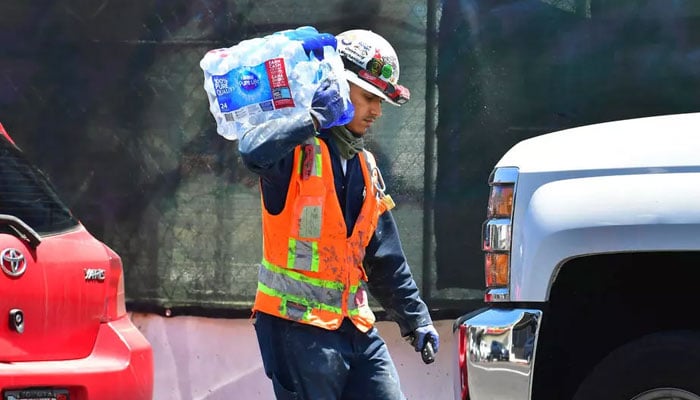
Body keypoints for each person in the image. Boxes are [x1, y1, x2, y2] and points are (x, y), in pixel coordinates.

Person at [239, 29, 439, 400]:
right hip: (296, 328)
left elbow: (384, 256)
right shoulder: (295, 151)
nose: (377, 111)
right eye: (368, 98)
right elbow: (252, 150)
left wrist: (416, 318)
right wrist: (312, 119)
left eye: (380, 101)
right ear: (337, 85)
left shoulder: (365, 165)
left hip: (356, 330)